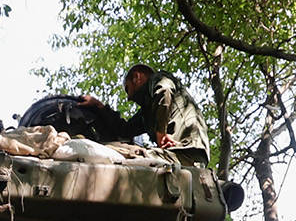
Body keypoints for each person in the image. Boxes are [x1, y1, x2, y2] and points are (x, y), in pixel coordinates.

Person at [81, 64, 210, 159]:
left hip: (187, 150)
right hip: (179, 154)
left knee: (111, 154)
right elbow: (124, 130)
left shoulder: (158, 79)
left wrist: (161, 133)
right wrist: (99, 105)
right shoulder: (147, 113)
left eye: (128, 89)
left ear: (137, 77)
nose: (129, 98)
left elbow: (164, 91)